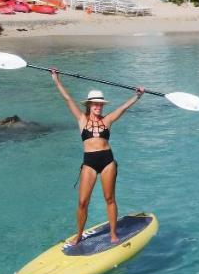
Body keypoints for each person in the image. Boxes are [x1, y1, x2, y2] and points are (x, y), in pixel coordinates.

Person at [51, 72, 143, 248]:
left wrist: (137, 96)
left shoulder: (107, 120)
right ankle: (79, 236)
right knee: (82, 202)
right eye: (95, 104)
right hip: (89, 163)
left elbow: (123, 108)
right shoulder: (82, 119)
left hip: (108, 160)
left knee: (109, 198)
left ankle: (114, 234)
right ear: (89, 105)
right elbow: (68, 99)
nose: (98, 107)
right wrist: (56, 81)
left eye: (100, 104)